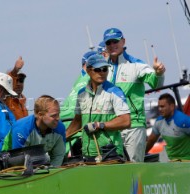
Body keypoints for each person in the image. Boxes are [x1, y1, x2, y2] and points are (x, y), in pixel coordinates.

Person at [103, 27, 165, 162]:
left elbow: (156, 84)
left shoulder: (137, 65)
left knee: (134, 169)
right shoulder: (102, 69)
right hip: (111, 127)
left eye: (115, 41)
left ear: (123, 42)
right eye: (109, 43)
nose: (112, 45)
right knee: (115, 170)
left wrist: (159, 74)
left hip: (133, 125)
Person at [66, 54, 130, 161]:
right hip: (88, 154)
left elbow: (125, 121)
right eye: (97, 69)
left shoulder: (115, 92)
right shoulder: (81, 93)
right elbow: (77, 122)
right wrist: (62, 139)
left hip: (111, 154)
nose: (102, 73)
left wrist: (100, 125)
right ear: (88, 71)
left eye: (105, 69)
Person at [5, 95, 66, 167]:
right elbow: (18, 162)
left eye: (58, 114)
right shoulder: (21, 129)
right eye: (54, 116)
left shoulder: (60, 128)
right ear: (39, 115)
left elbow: (58, 156)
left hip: (37, 157)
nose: (58, 118)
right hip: (9, 156)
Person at [60, 50, 97, 155]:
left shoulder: (79, 80)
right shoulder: (90, 79)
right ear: (86, 66)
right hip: (76, 128)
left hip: (65, 124)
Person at [146, 93, 190, 160]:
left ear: (172, 106)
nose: (160, 109)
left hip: (186, 160)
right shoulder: (159, 121)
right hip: (170, 160)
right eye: (159, 107)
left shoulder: (183, 121)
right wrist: (142, 153)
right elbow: (151, 140)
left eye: (162, 106)